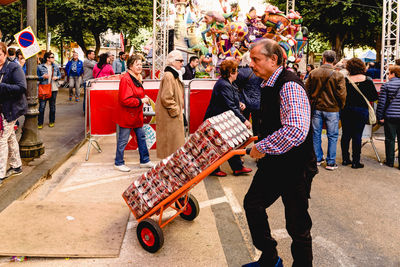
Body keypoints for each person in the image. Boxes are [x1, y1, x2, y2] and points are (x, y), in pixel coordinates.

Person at [242, 39, 317, 267]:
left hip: (295, 167)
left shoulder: (289, 85)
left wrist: (261, 147)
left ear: (273, 59)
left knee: (297, 224)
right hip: (275, 165)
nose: (251, 64)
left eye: (256, 59)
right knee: (253, 204)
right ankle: (269, 257)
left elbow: (295, 130)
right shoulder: (268, 83)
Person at [204, 59, 252, 177]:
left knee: (229, 144)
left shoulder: (228, 83)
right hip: (217, 120)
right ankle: (216, 169)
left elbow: (232, 101)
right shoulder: (224, 84)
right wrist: (244, 120)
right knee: (217, 146)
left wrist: (239, 103)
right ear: (231, 72)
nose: (238, 73)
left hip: (222, 119)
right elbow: (230, 106)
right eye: (236, 71)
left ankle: (237, 168)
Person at [306, 50, 347, 170]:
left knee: (315, 134)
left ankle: (317, 158)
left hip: (316, 108)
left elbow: (307, 90)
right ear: (334, 60)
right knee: (333, 135)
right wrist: (341, 106)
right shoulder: (338, 75)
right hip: (332, 109)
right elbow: (342, 94)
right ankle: (330, 162)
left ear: (323, 59)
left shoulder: (313, 73)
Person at [114, 55, 155, 172]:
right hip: (127, 114)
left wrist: (142, 97)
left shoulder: (137, 77)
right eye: (137, 64)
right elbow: (125, 99)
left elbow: (135, 94)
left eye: (141, 64)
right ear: (130, 66)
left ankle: (145, 160)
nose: (140, 66)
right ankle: (118, 162)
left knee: (141, 137)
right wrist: (141, 100)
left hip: (136, 114)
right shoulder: (126, 79)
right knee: (123, 139)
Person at [341, 58, 378, 169]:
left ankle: (345, 159)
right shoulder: (368, 80)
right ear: (362, 67)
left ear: (349, 68)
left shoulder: (345, 80)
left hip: (346, 110)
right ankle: (356, 161)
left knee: (346, 135)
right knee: (357, 136)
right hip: (361, 110)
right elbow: (374, 97)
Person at [0, 42, 27, 183]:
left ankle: (1, 173)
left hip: (11, 109)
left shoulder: (14, 67)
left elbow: (22, 87)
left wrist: (2, 86)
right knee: (9, 137)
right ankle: (16, 166)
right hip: (2, 109)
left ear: (5, 54)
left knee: (1, 139)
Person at [155, 50, 185, 159]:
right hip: (170, 116)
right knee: (171, 147)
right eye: (180, 60)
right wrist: (176, 110)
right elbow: (166, 97)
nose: (182, 63)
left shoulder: (173, 74)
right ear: (172, 62)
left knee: (173, 146)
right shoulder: (169, 75)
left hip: (172, 116)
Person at [376, 65, 400, 169]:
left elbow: (382, 103)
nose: (388, 75)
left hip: (390, 116)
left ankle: (390, 161)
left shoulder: (386, 86)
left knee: (390, 139)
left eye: (389, 73)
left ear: (393, 74)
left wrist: (379, 116)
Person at [235, 51, 263, 136]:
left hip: (244, 102)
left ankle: (244, 144)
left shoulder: (240, 72)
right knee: (257, 126)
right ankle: (257, 144)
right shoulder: (259, 71)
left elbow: (236, 87)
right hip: (257, 102)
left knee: (243, 125)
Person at [37, 52, 61, 129]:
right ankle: (40, 123)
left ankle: (52, 121)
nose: (54, 59)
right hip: (44, 88)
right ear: (47, 58)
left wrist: (57, 77)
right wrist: (42, 77)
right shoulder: (40, 67)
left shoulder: (56, 66)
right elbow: (36, 77)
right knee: (42, 107)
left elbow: (60, 75)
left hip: (54, 88)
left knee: (52, 106)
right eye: (52, 57)